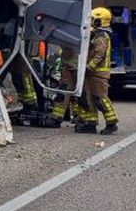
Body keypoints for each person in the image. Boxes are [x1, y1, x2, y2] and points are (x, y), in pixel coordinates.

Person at [77, 7, 118, 135]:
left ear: (100, 21)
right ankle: (91, 123)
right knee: (88, 98)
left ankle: (112, 123)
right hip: (92, 73)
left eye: (94, 20)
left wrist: (90, 66)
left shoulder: (101, 36)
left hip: (99, 73)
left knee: (100, 98)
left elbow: (99, 54)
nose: (91, 22)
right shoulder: (96, 35)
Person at [49, 46, 81, 123]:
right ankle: (77, 115)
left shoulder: (70, 40)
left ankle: (57, 117)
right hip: (75, 66)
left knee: (64, 90)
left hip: (70, 67)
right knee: (75, 93)